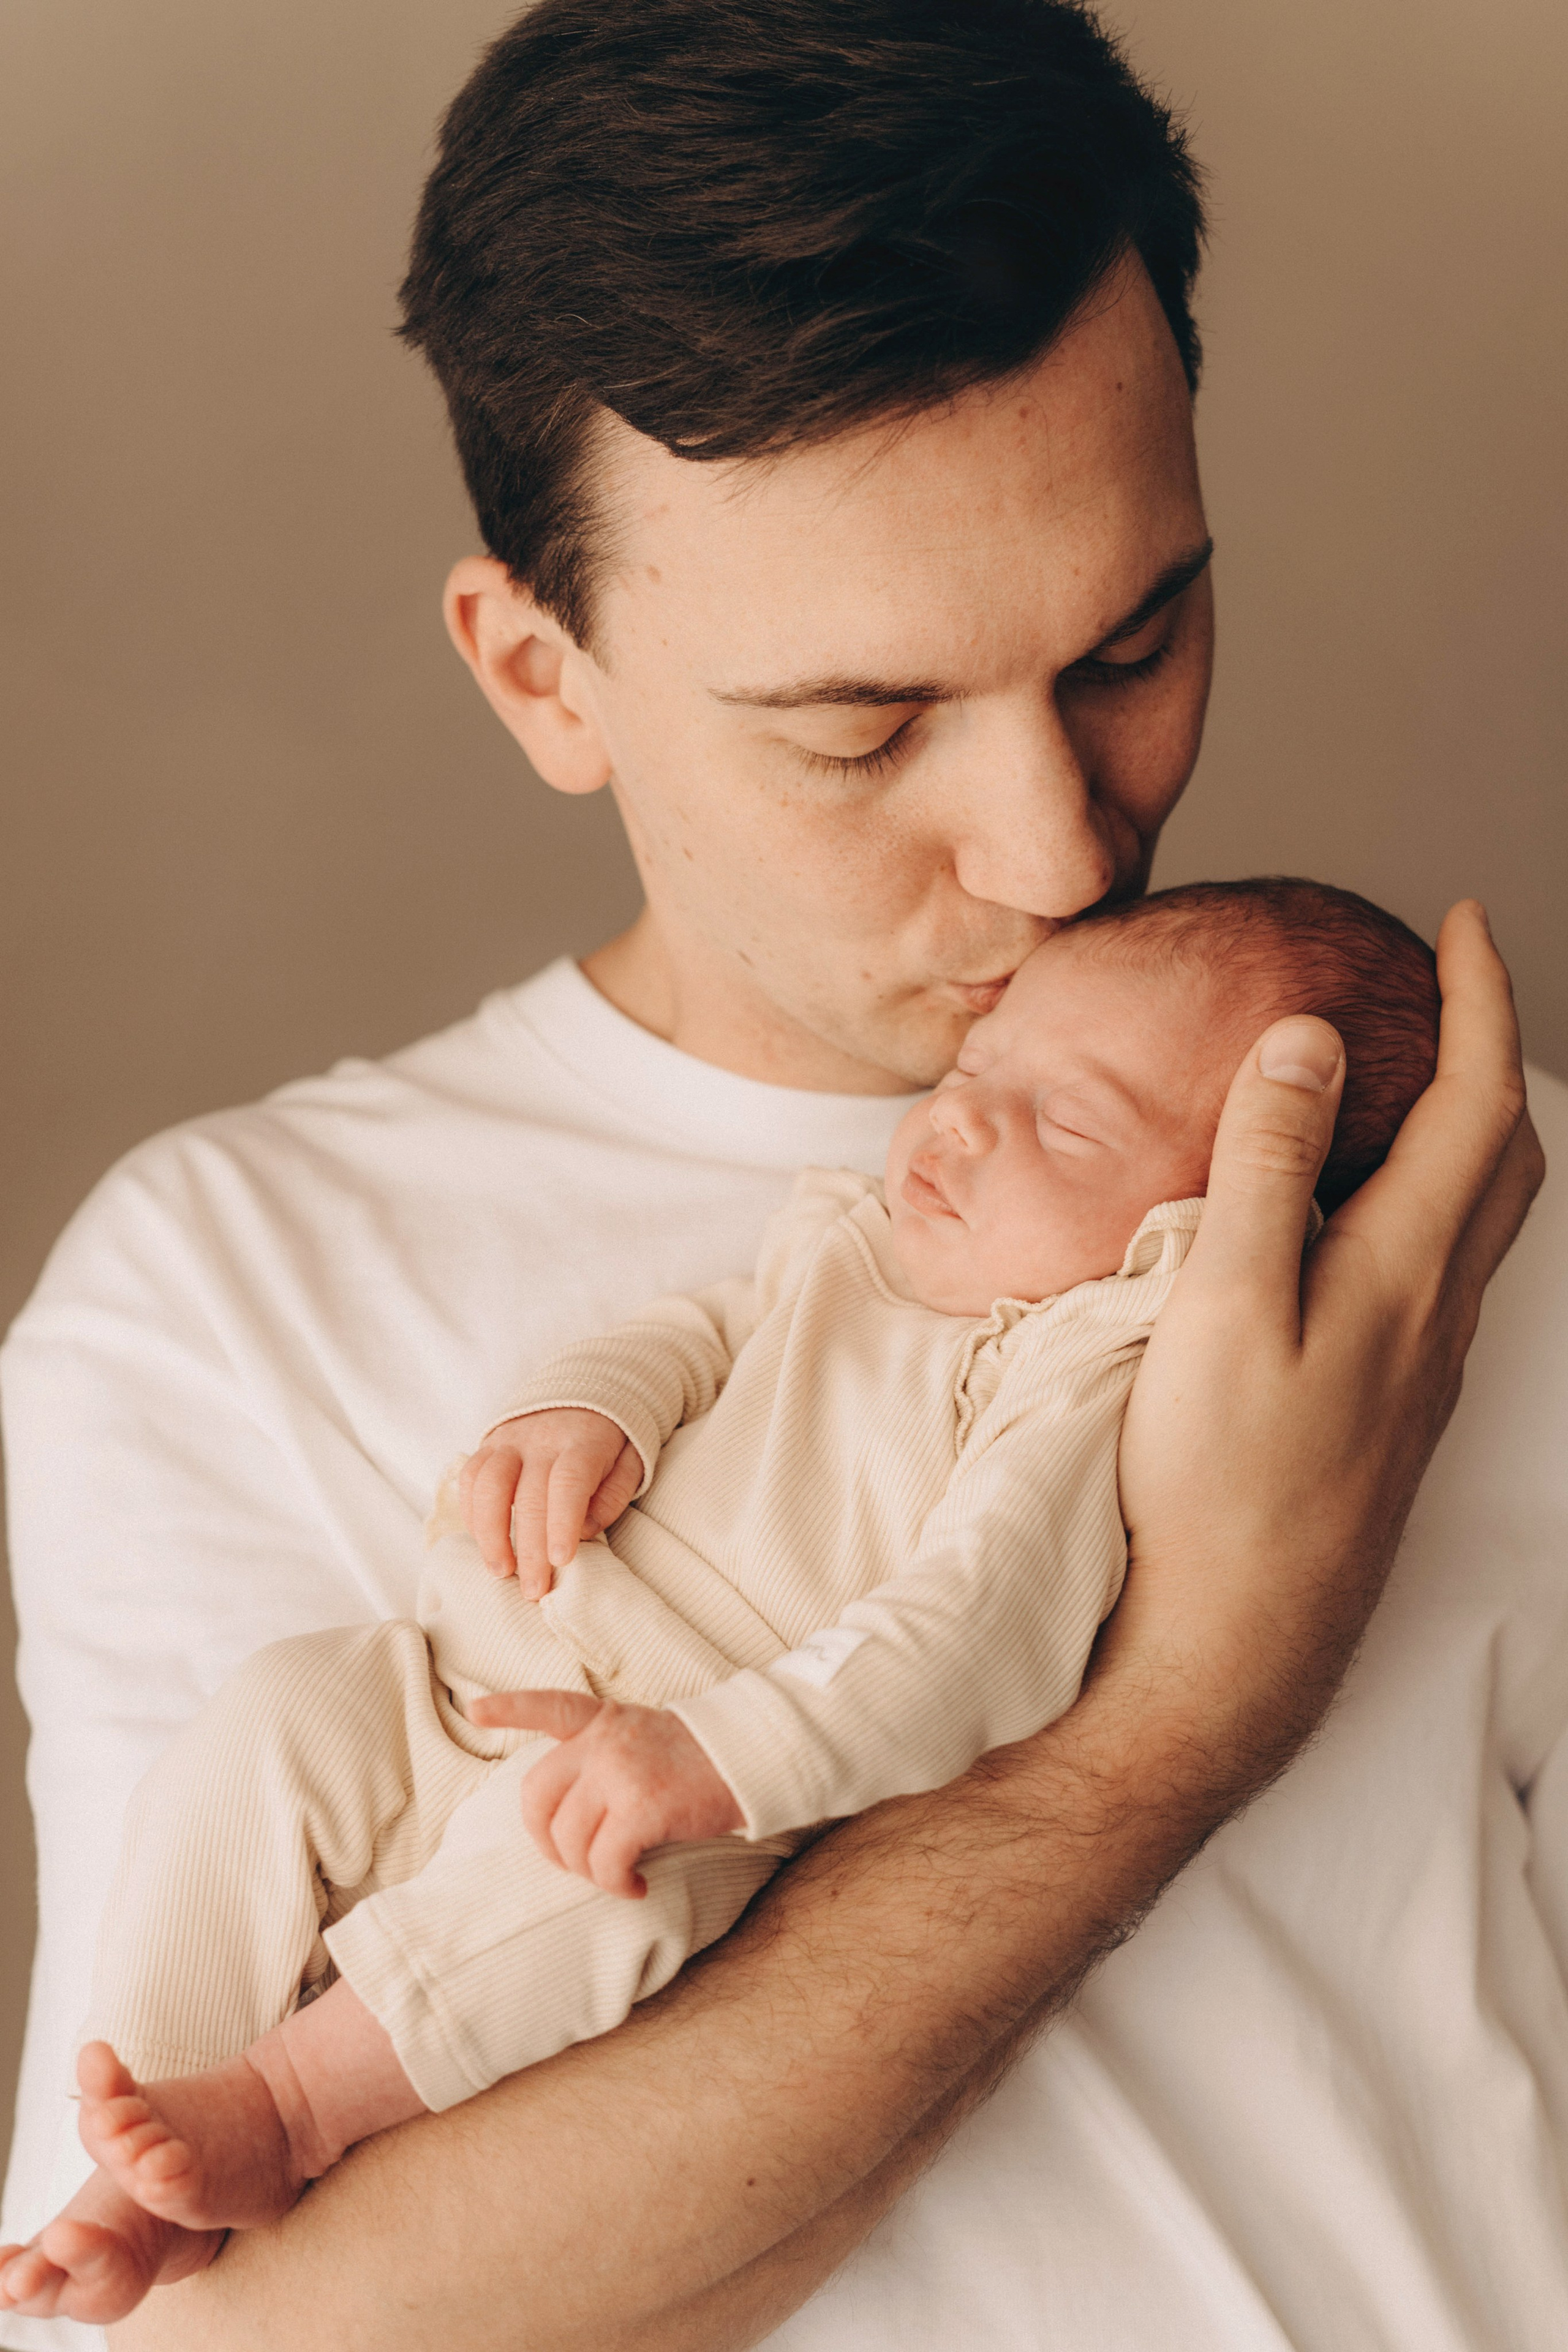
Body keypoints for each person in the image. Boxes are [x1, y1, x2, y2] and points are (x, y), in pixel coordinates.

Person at [0, 4, 1551, 2349]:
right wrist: (1186, 1704)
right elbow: (204, 2346)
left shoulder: (1462, 1235)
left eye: (1135, 644)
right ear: (542, 676)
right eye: (864, 724)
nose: (1057, 848)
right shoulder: (222, 1300)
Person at [1, 878, 1446, 2330]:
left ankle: (291, 2105)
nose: (957, 1124)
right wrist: (590, 1411)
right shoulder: (860, 1238)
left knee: (573, 1895)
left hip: (692, 1770)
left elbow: (974, 1631)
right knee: (272, 1720)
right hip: (472, 1665)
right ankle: (139, 2129)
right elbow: (702, 1333)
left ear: (1196, 1235)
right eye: (971, 1073)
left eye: (1063, 1124)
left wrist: (714, 1762)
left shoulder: (1073, 1371)